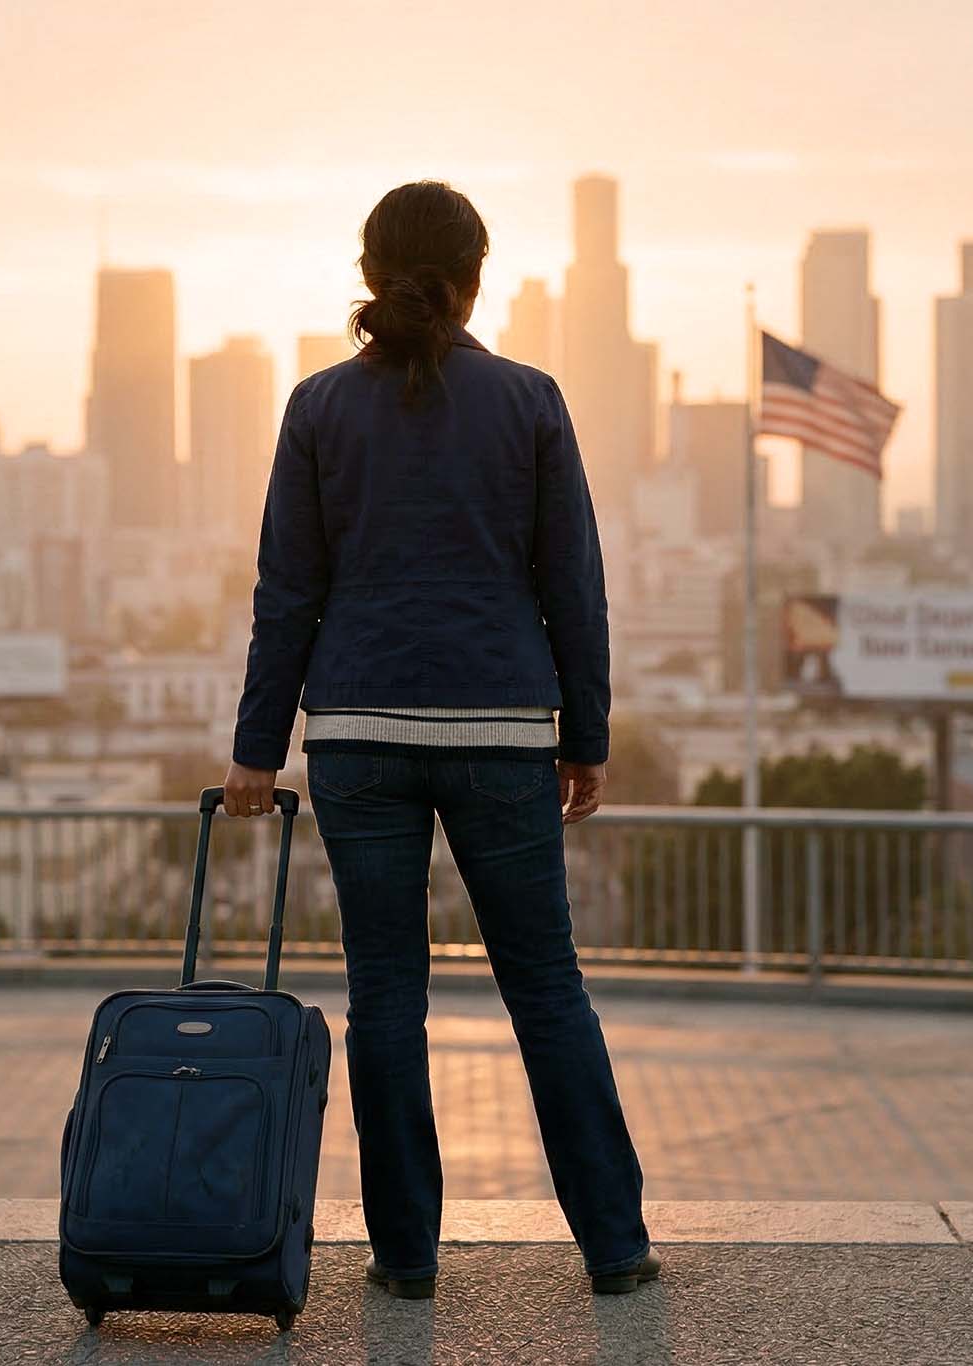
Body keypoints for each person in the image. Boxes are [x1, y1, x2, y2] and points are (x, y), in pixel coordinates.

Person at [223, 181, 656, 1298]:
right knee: (546, 988)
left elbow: (288, 592)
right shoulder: (529, 399)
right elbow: (574, 587)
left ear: (371, 274)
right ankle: (613, 1245)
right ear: (474, 276)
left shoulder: (318, 407)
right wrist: (587, 733)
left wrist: (256, 753)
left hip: (357, 733)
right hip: (503, 728)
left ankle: (405, 1258)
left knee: (385, 997)